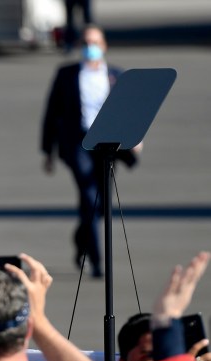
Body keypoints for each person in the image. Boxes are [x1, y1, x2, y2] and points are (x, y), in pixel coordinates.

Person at [41, 25, 137, 279]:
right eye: (85, 42)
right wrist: (47, 152)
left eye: (94, 42)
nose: (90, 46)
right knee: (88, 193)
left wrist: (135, 139)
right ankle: (96, 261)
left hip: (107, 144)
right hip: (78, 143)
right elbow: (52, 113)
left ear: (104, 45)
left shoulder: (116, 75)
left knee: (102, 203)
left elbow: (129, 112)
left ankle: (81, 238)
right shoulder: (67, 74)